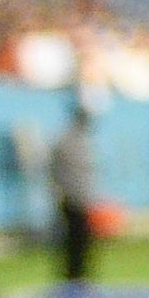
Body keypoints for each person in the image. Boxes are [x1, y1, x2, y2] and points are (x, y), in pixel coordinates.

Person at [48, 93, 99, 285]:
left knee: (82, 241)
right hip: (71, 198)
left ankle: (80, 278)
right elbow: (55, 169)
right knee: (73, 241)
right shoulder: (69, 140)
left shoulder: (80, 140)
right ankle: (73, 279)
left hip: (81, 197)